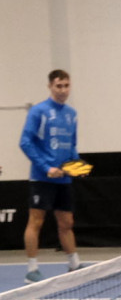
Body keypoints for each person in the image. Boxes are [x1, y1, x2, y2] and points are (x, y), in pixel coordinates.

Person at [18, 69, 82, 284]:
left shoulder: (72, 114)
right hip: (42, 178)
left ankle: (74, 264)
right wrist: (46, 167)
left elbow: (72, 145)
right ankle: (32, 270)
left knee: (67, 223)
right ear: (50, 87)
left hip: (64, 179)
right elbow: (25, 142)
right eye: (59, 86)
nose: (63, 90)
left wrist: (76, 165)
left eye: (66, 85)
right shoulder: (39, 112)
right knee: (36, 221)